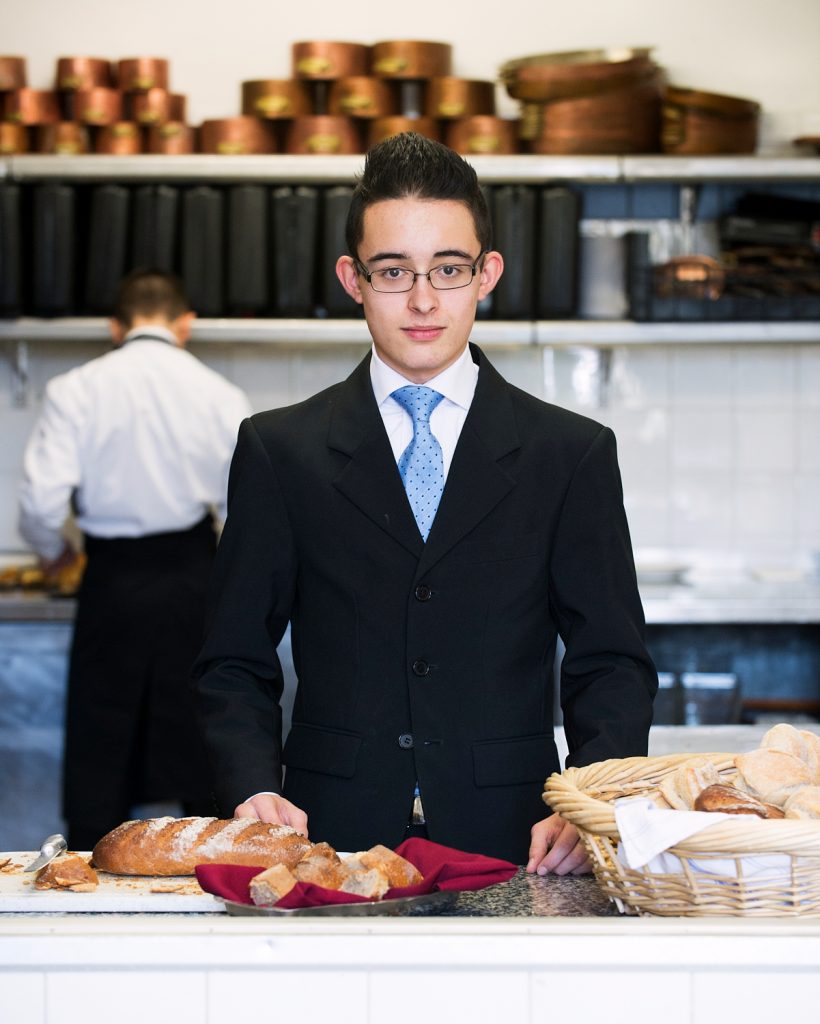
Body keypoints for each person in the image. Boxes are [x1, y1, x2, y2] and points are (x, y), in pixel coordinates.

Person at [193, 132, 657, 871]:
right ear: (352, 279)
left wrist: (594, 803)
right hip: (323, 837)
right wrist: (252, 786)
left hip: (519, 834)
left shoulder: (569, 453)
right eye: (392, 271)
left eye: (447, 269)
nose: (421, 299)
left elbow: (610, 663)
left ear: (486, 274)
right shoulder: (281, 449)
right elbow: (233, 660)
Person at [18, 269, 252, 850]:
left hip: (111, 585)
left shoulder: (75, 388)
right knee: (201, 743)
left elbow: (40, 503)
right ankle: (210, 883)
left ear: (115, 327)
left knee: (104, 745)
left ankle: (88, 886)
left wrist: (53, 553)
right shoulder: (220, 394)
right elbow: (245, 510)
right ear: (185, 324)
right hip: (195, 581)